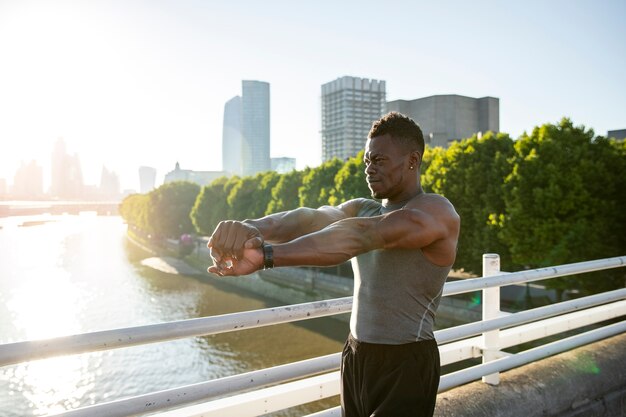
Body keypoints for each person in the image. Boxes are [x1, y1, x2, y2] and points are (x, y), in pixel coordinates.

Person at [208, 111, 460, 417]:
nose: (369, 169)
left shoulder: (435, 211)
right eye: (367, 161)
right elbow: (307, 219)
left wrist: (267, 257)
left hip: (405, 362)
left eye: (378, 160)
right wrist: (247, 228)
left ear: (412, 161)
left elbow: (358, 236)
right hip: (355, 355)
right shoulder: (361, 208)